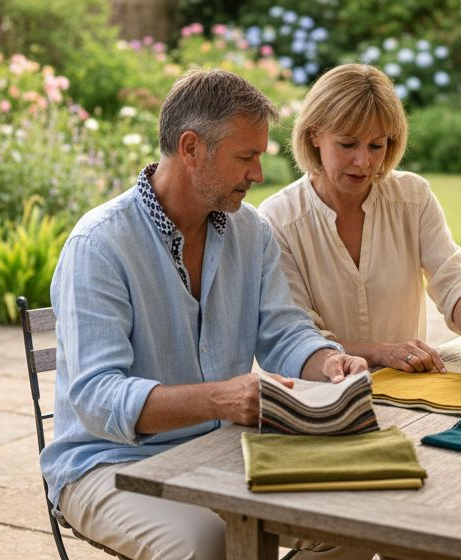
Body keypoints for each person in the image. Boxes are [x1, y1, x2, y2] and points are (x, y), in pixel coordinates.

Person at [41, 69, 369, 560]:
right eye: (246, 156)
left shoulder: (250, 231)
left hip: (221, 453)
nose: (258, 174)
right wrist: (219, 399)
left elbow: (283, 332)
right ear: (191, 148)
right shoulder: (101, 245)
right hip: (107, 462)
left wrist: (326, 360)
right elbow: (95, 396)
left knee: (354, 519)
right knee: (209, 544)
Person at [260, 64, 461, 384]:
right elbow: (297, 336)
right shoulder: (279, 220)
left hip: (409, 389)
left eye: (376, 145)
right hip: (322, 397)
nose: (364, 161)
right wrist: (380, 352)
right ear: (314, 134)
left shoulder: (412, 197)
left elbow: (455, 279)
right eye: (347, 144)